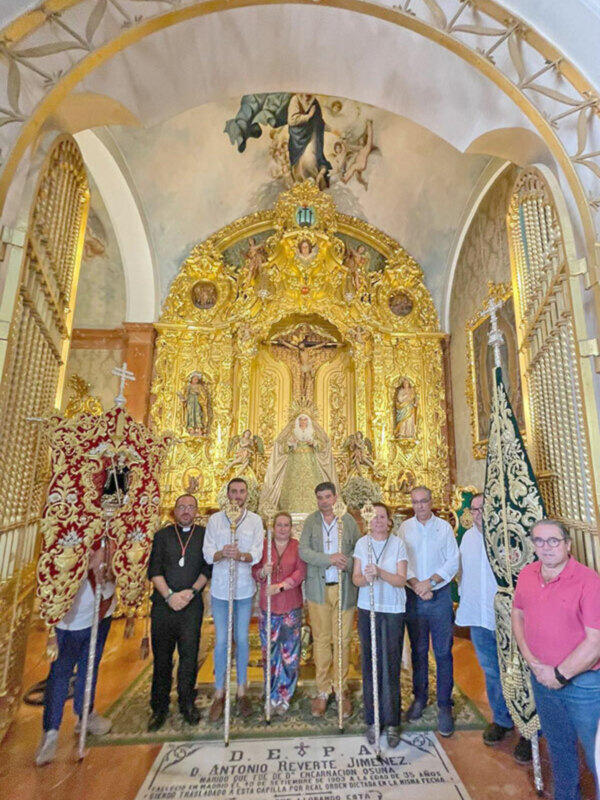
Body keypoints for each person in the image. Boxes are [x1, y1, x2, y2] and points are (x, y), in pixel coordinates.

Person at [512, 519, 600, 800]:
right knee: (559, 748)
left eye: (553, 541)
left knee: (595, 752)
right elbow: (518, 613)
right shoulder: (527, 573)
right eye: (539, 541)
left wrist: (559, 674)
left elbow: (595, 642)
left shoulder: (589, 581)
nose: (545, 547)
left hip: (583, 684)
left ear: (567, 545)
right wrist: (531, 659)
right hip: (542, 680)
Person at [456, 493, 531, 763]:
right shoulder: (467, 537)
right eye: (474, 509)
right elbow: (462, 572)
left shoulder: (507, 536)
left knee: (517, 671)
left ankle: (528, 729)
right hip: (479, 616)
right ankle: (502, 719)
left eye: (483, 508)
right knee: (490, 670)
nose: (478, 513)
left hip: (509, 618)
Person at [35, 542, 116, 766]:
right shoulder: (63, 525)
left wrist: (108, 557)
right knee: (60, 673)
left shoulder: (108, 526)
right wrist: (87, 561)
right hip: (69, 617)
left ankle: (86, 713)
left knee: (90, 666)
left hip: (101, 608)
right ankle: (50, 731)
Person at [147, 494, 212, 731]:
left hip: (191, 606)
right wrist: (169, 596)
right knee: (162, 659)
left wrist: (190, 593)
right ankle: (160, 707)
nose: (186, 511)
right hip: (164, 606)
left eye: (190, 507)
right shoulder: (162, 536)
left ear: (196, 511)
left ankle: (187, 703)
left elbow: (207, 568)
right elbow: (154, 570)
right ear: (174, 511)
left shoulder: (204, 536)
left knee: (189, 657)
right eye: (181, 507)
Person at [399, 485, 459, 736]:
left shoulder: (443, 528)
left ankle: (445, 704)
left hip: (439, 594)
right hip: (414, 595)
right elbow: (401, 559)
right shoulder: (404, 528)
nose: (420, 506)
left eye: (424, 501)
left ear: (431, 502)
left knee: (443, 651)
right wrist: (416, 584)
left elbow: (453, 560)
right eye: (415, 502)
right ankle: (420, 698)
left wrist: (431, 582)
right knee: (419, 650)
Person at [203, 477, 264, 720]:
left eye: (241, 492)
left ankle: (241, 690)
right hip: (220, 588)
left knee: (241, 638)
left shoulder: (255, 521)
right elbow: (208, 553)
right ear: (227, 494)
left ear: (247, 495)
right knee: (222, 640)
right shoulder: (215, 520)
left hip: (243, 588)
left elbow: (258, 553)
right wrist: (221, 553)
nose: (237, 496)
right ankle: (220, 692)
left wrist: (241, 555)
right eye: (234, 491)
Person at [299, 481, 361, 718]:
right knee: (322, 640)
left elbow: (359, 548)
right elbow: (304, 551)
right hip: (318, 589)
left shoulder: (348, 521)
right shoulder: (311, 521)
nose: (324, 502)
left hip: (344, 589)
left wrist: (348, 560)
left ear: (336, 498)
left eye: (328, 497)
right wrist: (329, 558)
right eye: (320, 498)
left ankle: (341, 689)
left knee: (342, 640)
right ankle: (323, 690)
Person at [353, 502, 407, 748]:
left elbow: (400, 580)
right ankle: (373, 719)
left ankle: (393, 720)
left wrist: (380, 572)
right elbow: (356, 579)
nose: (377, 520)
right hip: (369, 608)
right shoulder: (361, 544)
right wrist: (367, 577)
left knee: (390, 663)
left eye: (382, 516)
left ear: (389, 521)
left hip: (392, 609)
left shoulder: (398, 544)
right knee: (371, 664)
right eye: (373, 516)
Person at [252, 511, 307, 715]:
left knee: (290, 655)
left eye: (286, 525)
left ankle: (285, 696)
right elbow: (255, 571)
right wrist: (262, 573)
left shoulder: (297, 546)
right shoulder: (264, 547)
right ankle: (271, 694)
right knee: (270, 654)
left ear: (291, 527)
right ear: (273, 527)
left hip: (290, 607)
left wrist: (281, 586)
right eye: (279, 525)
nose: (283, 529)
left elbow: (301, 572)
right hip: (268, 608)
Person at [261, 412, 339, 514]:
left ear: (308, 421)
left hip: (311, 465)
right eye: (301, 420)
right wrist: (290, 444)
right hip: (294, 464)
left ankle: (313, 511)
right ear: (297, 422)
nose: (303, 422)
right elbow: (282, 447)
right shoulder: (292, 433)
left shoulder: (314, 433)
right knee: (292, 490)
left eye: (305, 420)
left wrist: (314, 443)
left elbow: (323, 446)